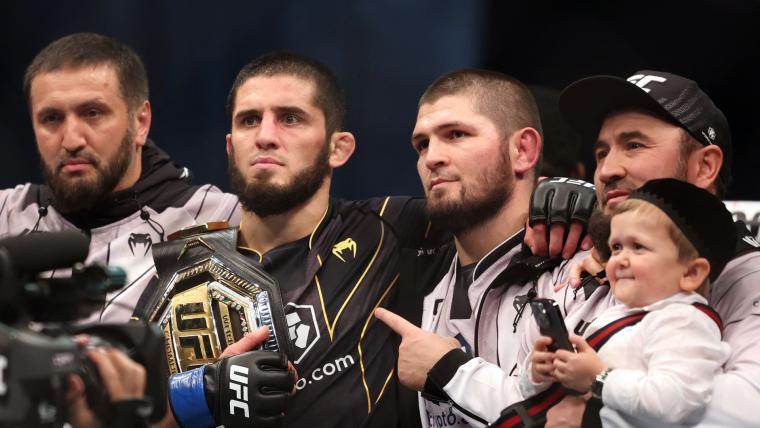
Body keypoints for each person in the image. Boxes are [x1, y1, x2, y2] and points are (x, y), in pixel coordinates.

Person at [518, 70, 760, 427]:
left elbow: (749, 411)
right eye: (602, 152)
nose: (606, 170)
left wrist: (592, 411)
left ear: (705, 166)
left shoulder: (750, 277)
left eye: (634, 145)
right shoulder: (593, 262)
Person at [374, 69, 595, 428]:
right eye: (422, 144)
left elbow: (576, 418)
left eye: (456, 134)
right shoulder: (406, 266)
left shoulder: (584, 271)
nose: (432, 158)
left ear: (523, 150)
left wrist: (448, 370)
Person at [0, 33, 241, 323]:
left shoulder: (221, 218)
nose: (71, 140)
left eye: (92, 113)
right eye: (51, 118)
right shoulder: (5, 214)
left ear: (140, 123)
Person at [521, 178, 734, 427]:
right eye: (616, 247)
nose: (619, 260)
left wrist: (598, 377)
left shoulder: (685, 321)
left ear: (691, 273)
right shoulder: (620, 314)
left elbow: (674, 402)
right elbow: (534, 393)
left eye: (638, 247)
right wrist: (540, 373)